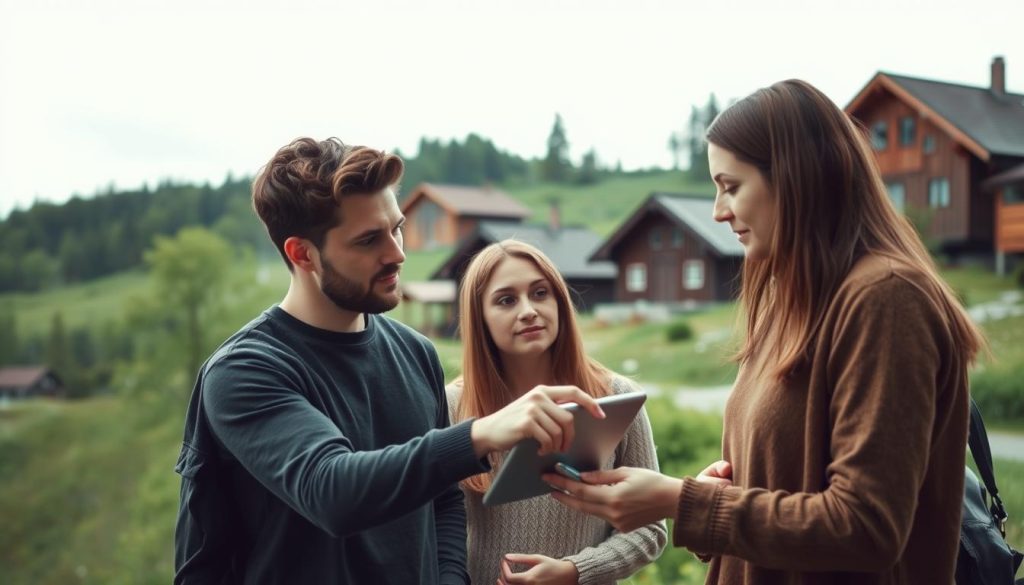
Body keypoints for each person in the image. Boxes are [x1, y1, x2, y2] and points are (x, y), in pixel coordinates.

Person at [546, 79, 984, 584]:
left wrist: (680, 501)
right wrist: (716, 493)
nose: (718, 210)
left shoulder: (886, 298)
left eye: (731, 186)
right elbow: (785, 479)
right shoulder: (789, 300)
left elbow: (866, 527)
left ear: (798, 178)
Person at [173, 137, 606, 585]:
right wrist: (479, 434)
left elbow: (443, 500)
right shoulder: (245, 370)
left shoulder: (415, 353)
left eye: (396, 228)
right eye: (368, 240)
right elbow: (332, 491)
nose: (398, 253)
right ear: (302, 253)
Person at [446, 239, 667, 584]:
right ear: (480, 318)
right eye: (506, 300)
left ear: (560, 302)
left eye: (539, 293)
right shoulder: (451, 406)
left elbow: (650, 528)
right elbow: (432, 528)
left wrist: (574, 571)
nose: (528, 310)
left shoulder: (615, 397)